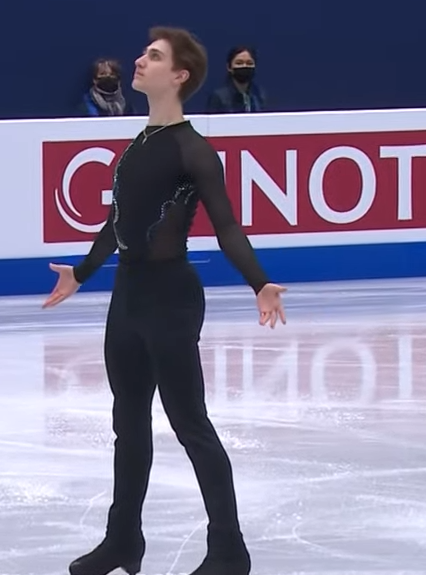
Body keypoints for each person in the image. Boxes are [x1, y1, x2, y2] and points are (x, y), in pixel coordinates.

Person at [43, 26, 286, 575]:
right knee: (127, 425)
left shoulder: (192, 149)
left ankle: (229, 550)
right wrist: (81, 273)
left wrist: (259, 282)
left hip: (170, 297)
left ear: (179, 75)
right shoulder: (141, 142)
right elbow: (117, 221)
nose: (139, 60)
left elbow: (226, 226)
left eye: (152, 56)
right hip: (128, 295)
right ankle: (123, 540)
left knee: (189, 423)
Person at [205, 46, 266, 114]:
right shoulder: (219, 97)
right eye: (239, 63)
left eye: (249, 63)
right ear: (229, 67)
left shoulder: (259, 95)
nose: (244, 66)